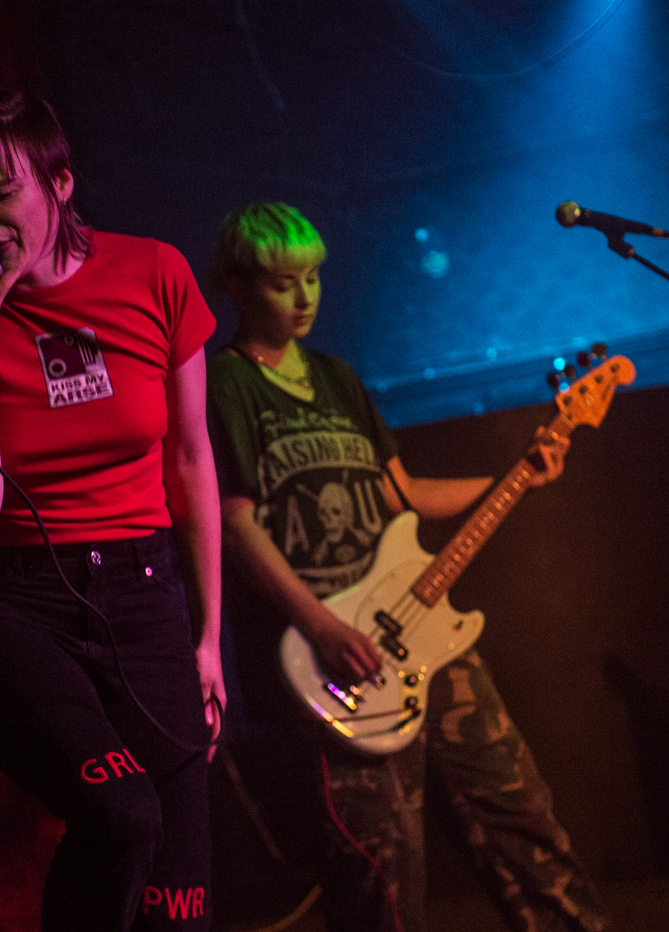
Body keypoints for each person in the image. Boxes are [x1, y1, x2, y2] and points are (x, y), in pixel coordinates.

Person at [205, 203, 609, 932]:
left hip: (421, 631)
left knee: (522, 821)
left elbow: (406, 494)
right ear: (239, 288)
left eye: (312, 279)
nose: (304, 298)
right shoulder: (223, 385)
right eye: (283, 284)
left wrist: (517, 474)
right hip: (325, 660)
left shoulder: (337, 378)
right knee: (383, 873)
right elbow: (235, 526)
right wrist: (323, 627)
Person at [0, 76, 223, 932]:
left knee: (180, 897)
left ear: (59, 183)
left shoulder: (154, 272)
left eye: (1, 192)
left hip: (145, 590)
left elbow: (190, 458)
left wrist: (209, 634)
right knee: (122, 815)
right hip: (11, 606)